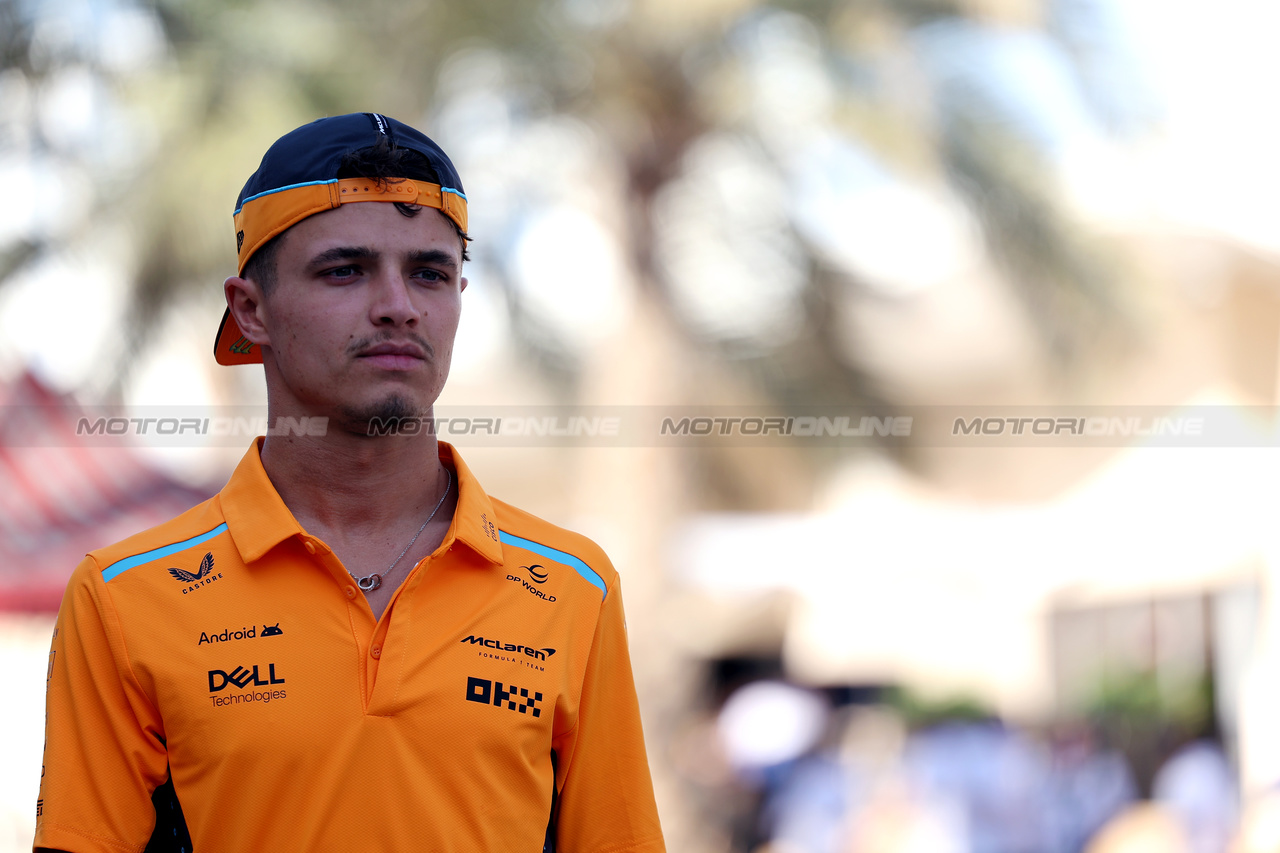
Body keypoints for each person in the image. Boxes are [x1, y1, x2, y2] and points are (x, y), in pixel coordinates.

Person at [34, 113, 666, 853]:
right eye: (345, 269)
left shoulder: (571, 588)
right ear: (251, 309)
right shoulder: (125, 596)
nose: (398, 304)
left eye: (429, 272)